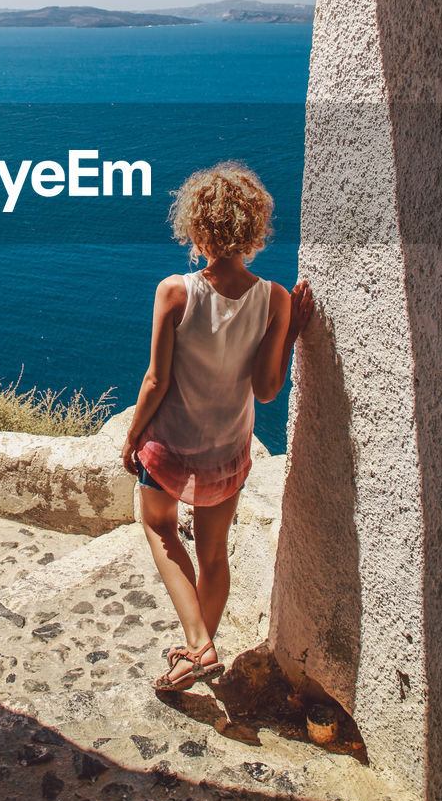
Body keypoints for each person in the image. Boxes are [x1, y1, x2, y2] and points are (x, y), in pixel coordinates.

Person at [121, 160, 313, 691]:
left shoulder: (176, 292)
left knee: (160, 529)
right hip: (229, 452)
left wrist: (133, 435)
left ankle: (200, 646)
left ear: (196, 226)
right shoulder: (274, 299)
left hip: (170, 450)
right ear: (253, 229)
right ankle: (195, 648)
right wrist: (290, 334)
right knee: (213, 553)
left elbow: (156, 381)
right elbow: (268, 389)